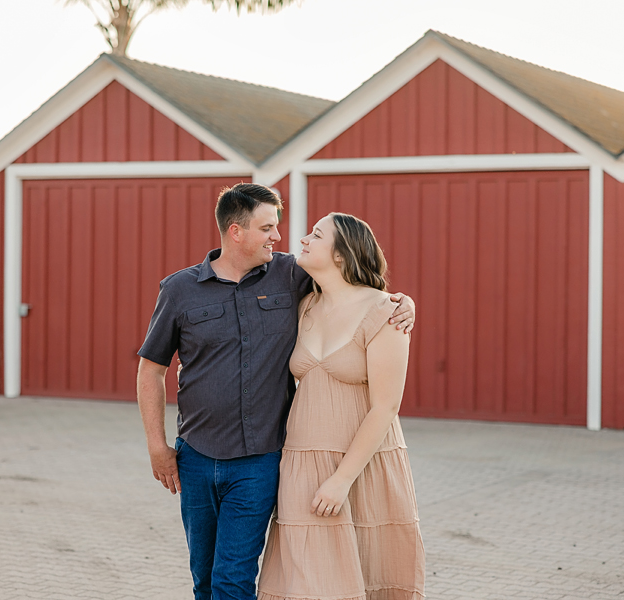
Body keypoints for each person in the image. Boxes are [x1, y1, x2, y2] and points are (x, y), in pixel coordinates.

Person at [136, 183, 415, 600]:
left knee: (233, 579)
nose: (279, 237)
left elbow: (354, 284)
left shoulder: (289, 274)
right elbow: (150, 369)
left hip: (261, 459)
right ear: (236, 231)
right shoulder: (180, 289)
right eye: (267, 227)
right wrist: (158, 447)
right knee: (204, 578)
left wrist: (403, 302)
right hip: (194, 455)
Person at [257, 212, 425, 600]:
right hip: (301, 460)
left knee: (369, 574)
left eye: (316, 235)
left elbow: (386, 406)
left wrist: (341, 479)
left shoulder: (386, 311)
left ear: (341, 254)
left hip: (364, 465)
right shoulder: (302, 306)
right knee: (303, 581)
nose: (302, 239)